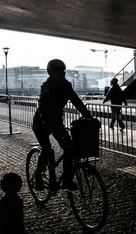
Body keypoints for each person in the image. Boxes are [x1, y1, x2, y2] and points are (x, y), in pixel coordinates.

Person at [33, 59, 93, 191]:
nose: (60, 75)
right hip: (41, 124)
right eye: (57, 72)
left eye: (62, 72)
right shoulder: (46, 87)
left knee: (70, 149)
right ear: (50, 73)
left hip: (56, 123)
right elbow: (42, 107)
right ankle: (38, 175)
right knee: (47, 150)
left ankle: (67, 181)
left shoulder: (66, 85)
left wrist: (88, 115)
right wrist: (46, 121)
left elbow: (76, 101)